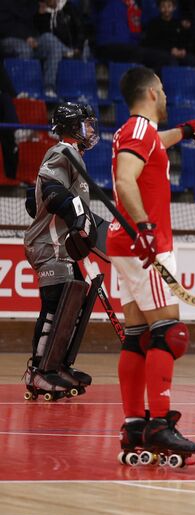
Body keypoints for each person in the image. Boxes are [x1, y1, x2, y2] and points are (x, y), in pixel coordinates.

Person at [108, 66, 195, 465]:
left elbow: (152, 145)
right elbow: (125, 179)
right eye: (164, 90)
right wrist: (146, 227)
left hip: (127, 243)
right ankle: (158, 424)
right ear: (152, 93)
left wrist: (184, 132)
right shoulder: (139, 131)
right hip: (146, 243)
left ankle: (135, 425)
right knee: (169, 333)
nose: (167, 96)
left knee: (137, 335)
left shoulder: (136, 131)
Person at [22, 102, 100, 400]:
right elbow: (53, 193)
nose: (91, 130)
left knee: (73, 304)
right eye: (86, 124)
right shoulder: (62, 152)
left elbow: (36, 201)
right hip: (49, 244)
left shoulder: (74, 155)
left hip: (62, 244)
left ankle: (58, 364)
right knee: (54, 306)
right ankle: (39, 370)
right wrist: (75, 213)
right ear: (72, 127)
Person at [0, 0, 69, 98]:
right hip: (9, 38)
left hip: (32, 39)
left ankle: (49, 88)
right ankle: (23, 90)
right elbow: (4, 26)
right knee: (25, 50)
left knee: (51, 43)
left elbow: (39, 26)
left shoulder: (33, 3)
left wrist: (43, 13)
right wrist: (25, 37)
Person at [142, 0, 195, 96]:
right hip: (164, 55)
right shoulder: (154, 24)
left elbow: (186, 40)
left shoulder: (178, 24)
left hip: (180, 54)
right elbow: (152, 43)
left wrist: (183, 50)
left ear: (174, 8)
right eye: (163, 6)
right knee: (172, 63)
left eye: (169, 6)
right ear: (159, 8)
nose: (166, 9)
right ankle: (171, 95)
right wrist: (170, 50)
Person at [92, 0, 176, 70]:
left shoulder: (135, 4)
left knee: (164, 58)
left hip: (132, 45)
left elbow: (146, 22)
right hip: (109, 43)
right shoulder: (108, 2)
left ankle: (154, 84)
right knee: (137, 55)